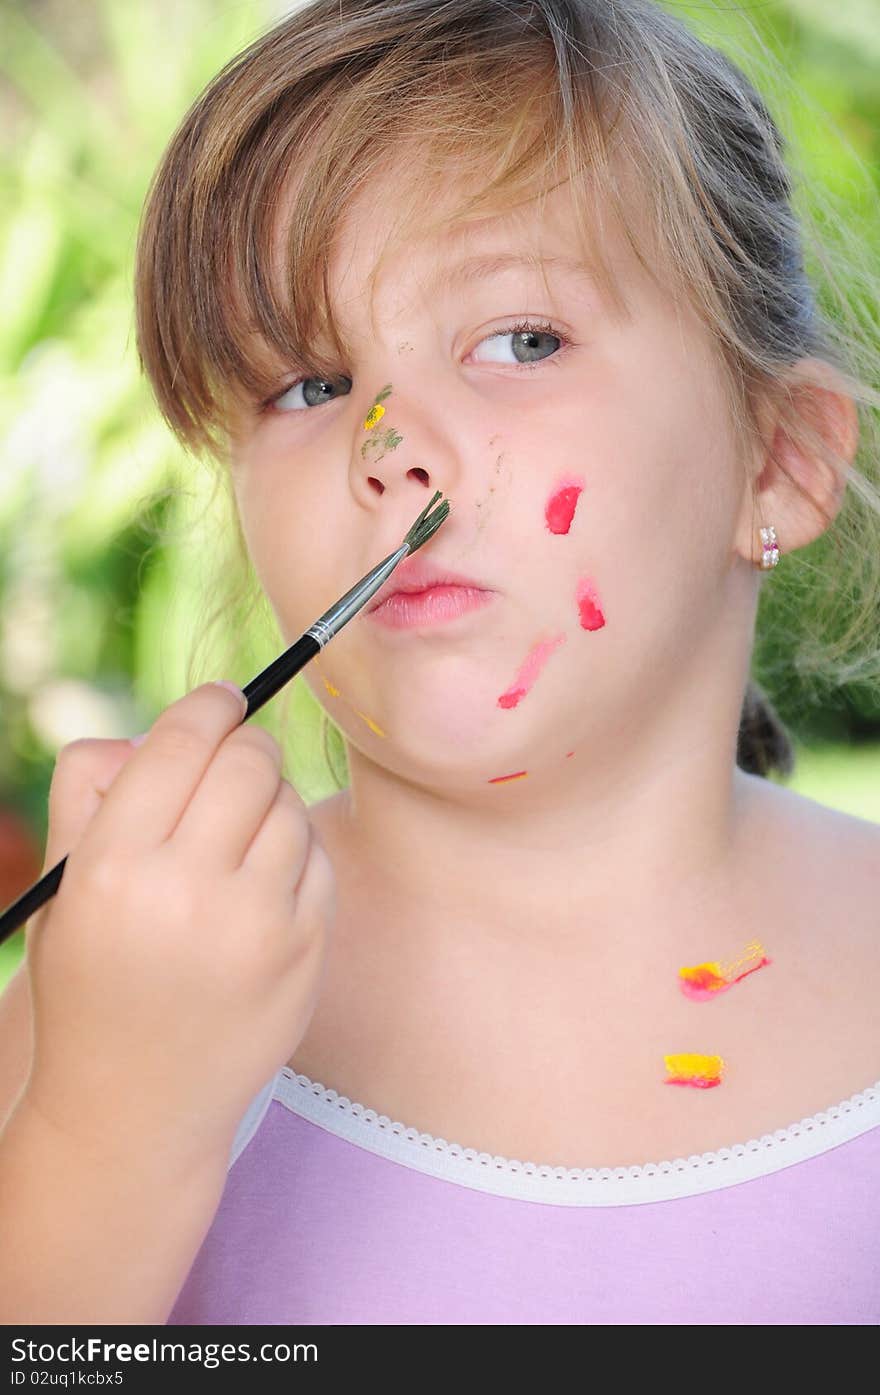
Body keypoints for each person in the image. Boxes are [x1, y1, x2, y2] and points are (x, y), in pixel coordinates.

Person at [1, 0, 878, 1325]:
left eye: (521, 341)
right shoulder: (115, 993)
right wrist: (116, 1118)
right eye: (306, 382)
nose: (387, 444)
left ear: (779, 461)